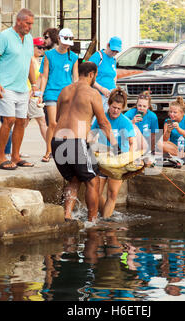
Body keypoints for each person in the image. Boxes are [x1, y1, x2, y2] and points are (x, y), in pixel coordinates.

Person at [51, 61, 118, 222]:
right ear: (91, 74)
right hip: (75, 142)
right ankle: (92, 222)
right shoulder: (92, 93)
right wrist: (116, 147)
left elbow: (57, 118)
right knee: (92, 181)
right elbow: (103, 123)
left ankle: (67, 216)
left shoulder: (64, 90)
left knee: (74, 179)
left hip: (57, 141)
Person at [0, 8, 37, 170]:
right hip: (5, 87)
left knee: (21, 121)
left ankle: (15, 156)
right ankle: (0, 157)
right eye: (28, 23)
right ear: (19, 21)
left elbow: (29, 62)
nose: (30, 27)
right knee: (9, 120)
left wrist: (34, 84)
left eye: (31, 24)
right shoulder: (4, 36)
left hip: (22, 87)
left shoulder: (28, 39)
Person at [90, 88, 136, 219]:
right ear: (109, 105)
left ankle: (105, 219)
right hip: (104, 160)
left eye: (118, 109)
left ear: (122, 109)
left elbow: (132, 142)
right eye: (113, 107)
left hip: (119, 162)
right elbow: (91, 135)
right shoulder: (102, 118)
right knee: (97, 193)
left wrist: (130, 158)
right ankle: (105, 216)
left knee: (113, 194)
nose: (115, 111)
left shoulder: (125, 122)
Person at [39, 28, 78, 163]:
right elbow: (44, 76)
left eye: (69, 42)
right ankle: (48, 150)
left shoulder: (73, 57)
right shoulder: (49, 55)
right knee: (53, 123)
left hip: (67, 93)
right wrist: (40, 93)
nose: (66, 44)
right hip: (51, 92)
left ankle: (62, 151)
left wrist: (76, 95)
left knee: (65, 124)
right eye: (64, 41)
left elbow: (76, 79)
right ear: (59, 39)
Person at [88, 36, 122, 112]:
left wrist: (114, 87)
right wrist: (101, 88)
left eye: (117, 52)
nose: (114, 53)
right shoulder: (98, 56)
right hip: (98, 94)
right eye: (113, 50)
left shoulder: (113, 59)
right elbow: (88, 76)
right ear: (107, 45)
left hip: (110, 96)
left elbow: (114, 75)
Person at [25, 37, 47, 142]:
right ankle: (51, 149)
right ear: (32, 47)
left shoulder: (35, 60)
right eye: (39, 47)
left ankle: (14, 150)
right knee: (42, 121)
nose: (42, 50)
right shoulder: (30, 60)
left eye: (43, 48)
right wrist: (31, 93)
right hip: (30, 95)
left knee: (22, 124)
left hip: (31, 94)